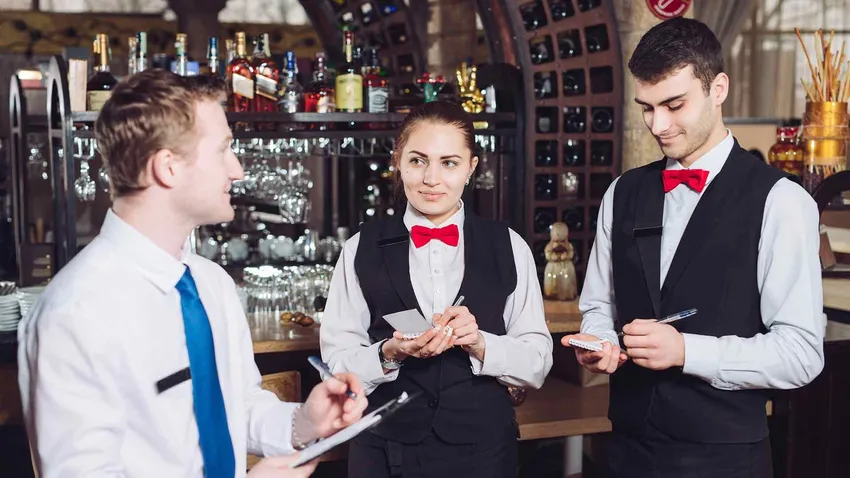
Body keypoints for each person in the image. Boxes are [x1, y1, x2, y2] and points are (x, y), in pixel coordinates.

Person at [17, 69, 368, 478]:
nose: (236, 170)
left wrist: (304, 422)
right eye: (224, 150)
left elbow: (235, 406)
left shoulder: (210, 283)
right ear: (168, 168)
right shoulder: (74, 314)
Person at [562, 17, 825, 478]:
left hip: (723, 457)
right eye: (647, 107)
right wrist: (599, 340)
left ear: (717, 88)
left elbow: (801, 354)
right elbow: (599, 306)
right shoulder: (622, 192)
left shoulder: (781, 201)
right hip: (625, 448)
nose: (658, 125)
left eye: (674, 104)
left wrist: (687, 351)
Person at [320, 101, 553, 478]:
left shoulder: (509, 245)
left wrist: (481, 344)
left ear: (471, 168)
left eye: (449, 162)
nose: (431, 178)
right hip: (384, 447)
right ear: (397, 161)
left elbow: (538, 363)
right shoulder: (359, 247)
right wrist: (389, 354)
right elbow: (335, 365)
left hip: (484, 451)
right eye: (417, 160)